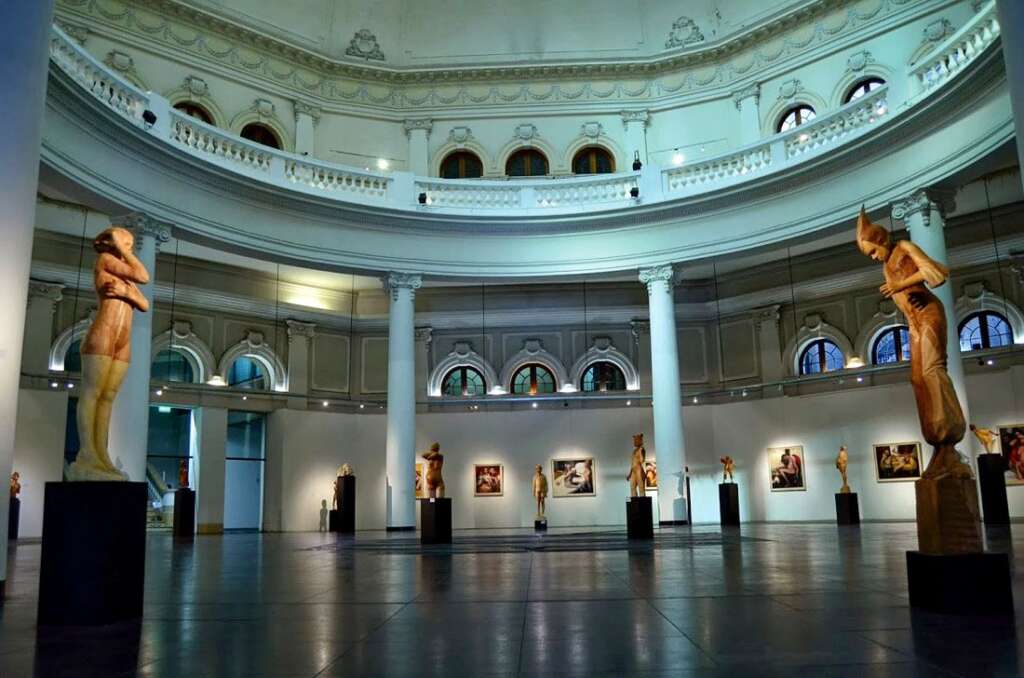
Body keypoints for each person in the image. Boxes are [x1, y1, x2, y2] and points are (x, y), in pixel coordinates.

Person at [857, 207, 971, 480]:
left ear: (882, 240)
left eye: (873, 251)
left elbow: (936, 272)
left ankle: (949, 436)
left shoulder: (905, 248)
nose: (874, 257)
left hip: (929, 314)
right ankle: (936, 442)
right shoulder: (886, 266)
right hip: (914, 322)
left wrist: (901, 285)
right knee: (917, 378)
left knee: (932, 371)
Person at [69, 226, 150, 481]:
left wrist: (126, 292)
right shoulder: (105, 260)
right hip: (103, 335)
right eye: (125, 242)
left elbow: (144, 303)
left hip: (121, 341)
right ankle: (87, 452)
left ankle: (101, 454)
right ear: (111, 242)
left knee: (108, 397)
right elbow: (143, 275)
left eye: (131, 244)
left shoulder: (125, 279)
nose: (129, 247)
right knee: (92, 393)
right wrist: (122, 250)